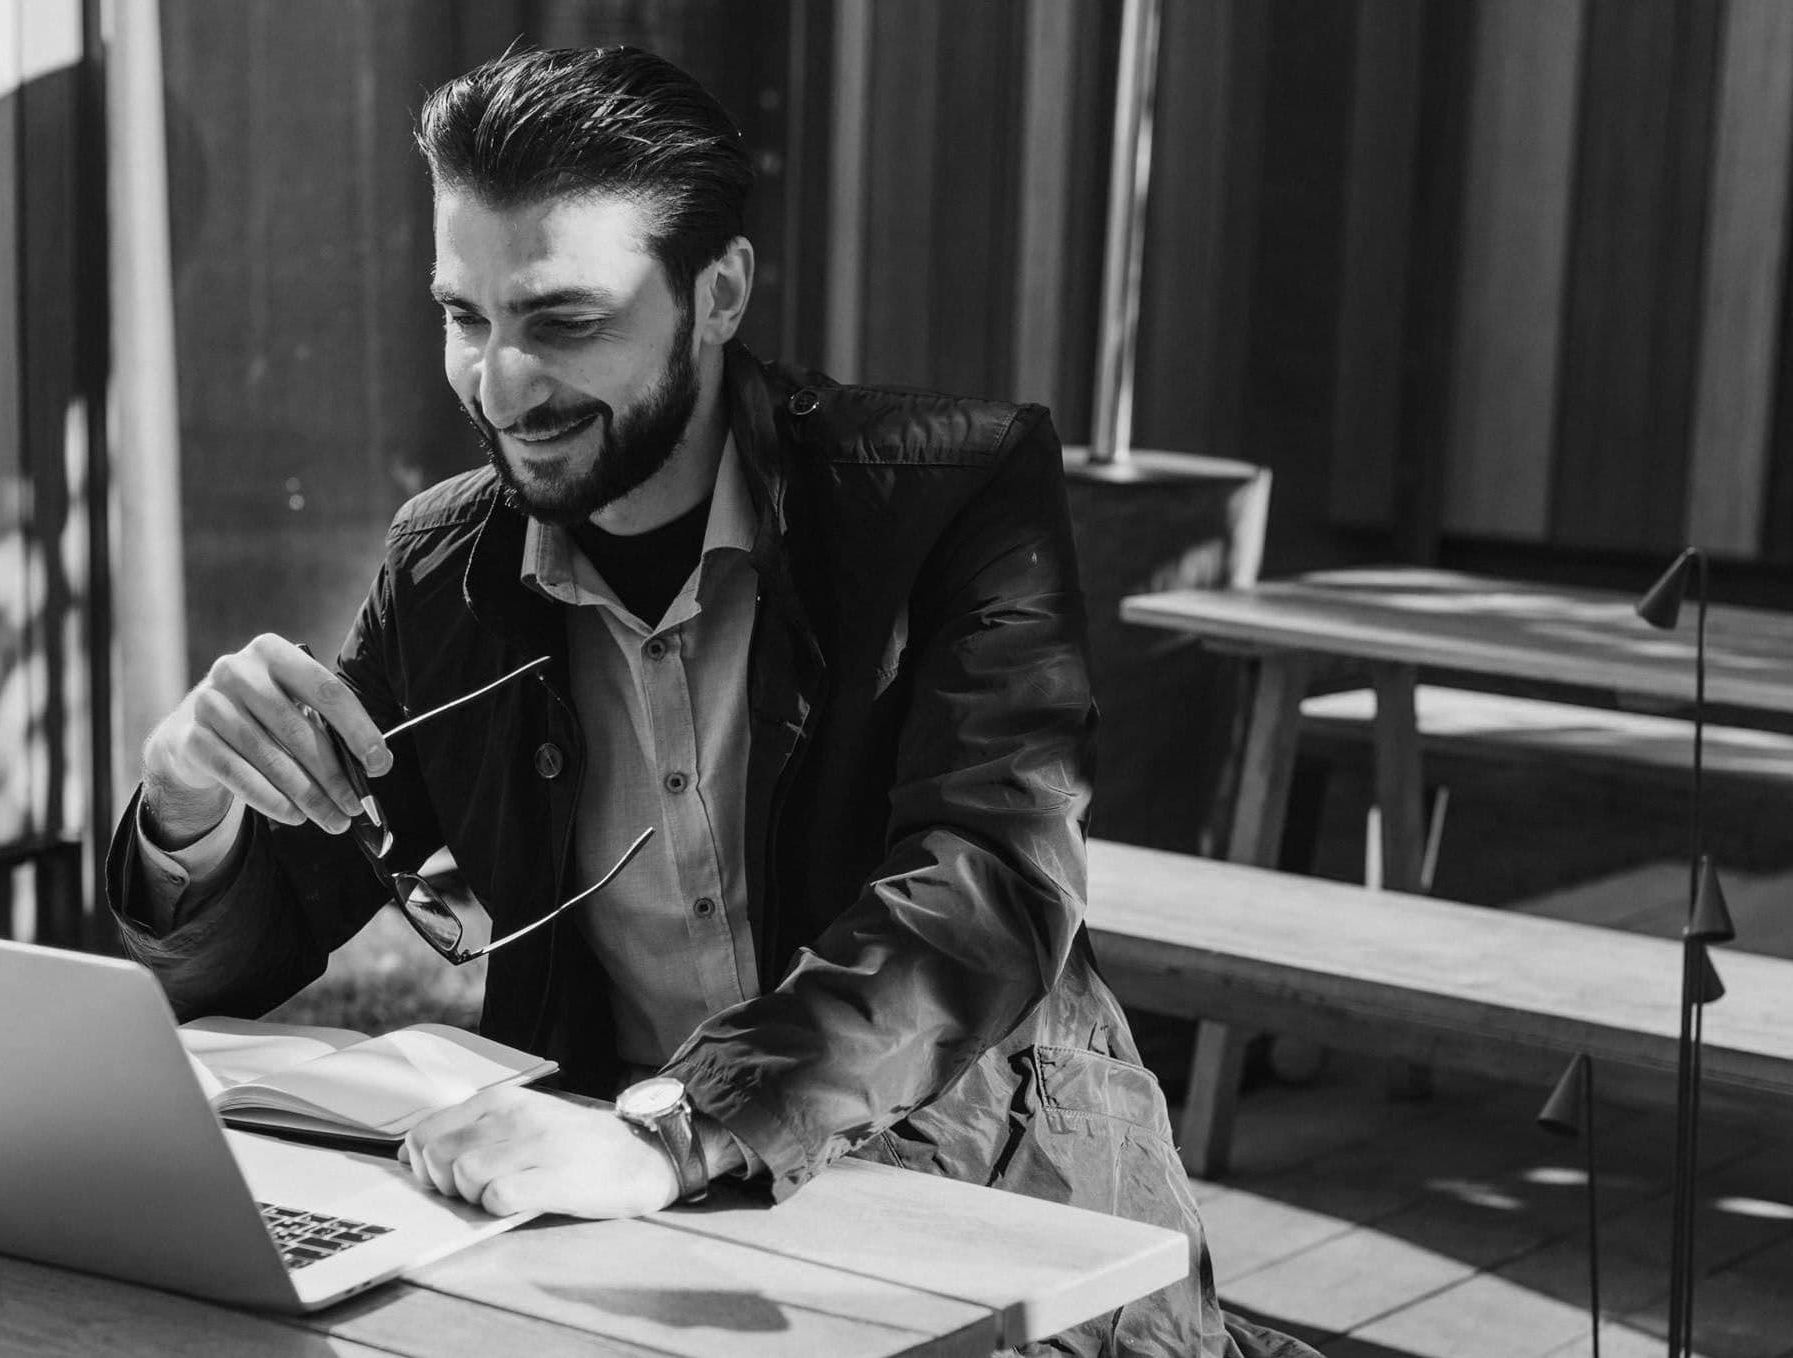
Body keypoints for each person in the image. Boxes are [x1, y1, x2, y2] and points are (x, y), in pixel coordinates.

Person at [111, 45, 1314, 1357]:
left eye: (562, 320)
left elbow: (987, 887)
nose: (499, 386)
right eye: (467, 317)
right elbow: (261, 935)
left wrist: (674, 1125)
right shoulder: (442, 564)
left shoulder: (950, 496)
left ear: (718, 292)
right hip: (626, 1244)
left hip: (987, 1199)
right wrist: (187, 799)